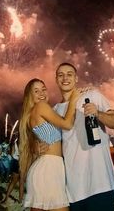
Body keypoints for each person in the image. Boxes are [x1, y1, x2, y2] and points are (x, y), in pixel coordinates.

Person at [54, 62, 114, 211]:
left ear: (76, 78)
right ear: (56, 79)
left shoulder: (92, 95)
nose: (65, 78)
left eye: (69, 74)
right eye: (61, 75)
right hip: (73, 188)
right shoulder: (54, 110)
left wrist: (97, 113)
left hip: (99, 181)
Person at [19, 78, 81, 211]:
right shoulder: (41, 107)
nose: (41, 93)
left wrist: (34, 147)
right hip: (49, 170)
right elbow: (67, 124)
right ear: (30, 96)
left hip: (49, 168)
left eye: (43, 89)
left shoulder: (35, 112)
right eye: (36, 91)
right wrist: (74, 98)